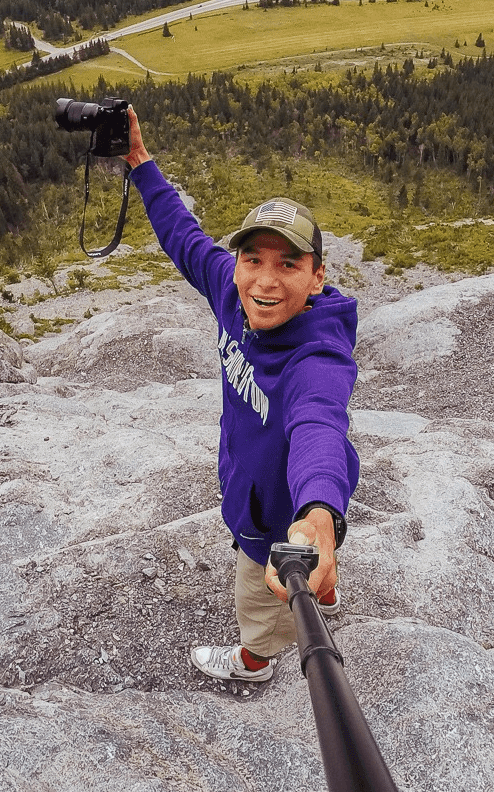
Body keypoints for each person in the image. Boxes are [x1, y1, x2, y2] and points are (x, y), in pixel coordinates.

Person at [121, 107, 358, 682]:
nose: (265, 281)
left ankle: (254, 661)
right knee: (296, 570)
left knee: (258, 600)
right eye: (252, 259)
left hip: (279, 516)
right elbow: (184, 236)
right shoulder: (233, 290)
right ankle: (321, 585)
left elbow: (318, 426)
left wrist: (320, 510)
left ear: (317, 276)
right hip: (253, 486)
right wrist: (139, 163)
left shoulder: (316, 357)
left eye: (288, 265)